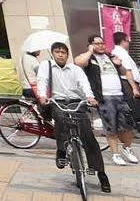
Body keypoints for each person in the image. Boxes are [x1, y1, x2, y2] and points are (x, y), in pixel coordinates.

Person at [38, 40, 110, 194]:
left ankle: (101, 173)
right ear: (52, 54)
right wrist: (42, 96)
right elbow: (42, 81)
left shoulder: (75, 69)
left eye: (63, 52)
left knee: (87, 134)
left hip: (77, 102)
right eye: (57, 51)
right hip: (57, 101)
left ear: (67, 55)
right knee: (61, 121)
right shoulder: (47, 66)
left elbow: (84, 83)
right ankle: (61, 151)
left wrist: (90, 97)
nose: (60, 54)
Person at [74, 36, 138, 166]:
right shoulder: (89, 58)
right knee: (111, 127)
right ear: (91, 45)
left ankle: (127, 148)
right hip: (104, 97)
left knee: (128, 126)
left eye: (102, 43)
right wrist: (89, 52)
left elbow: (125, 72)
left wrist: (132, 85)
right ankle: (116, 154)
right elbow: (78, 63)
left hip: (120, 95)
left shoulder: (111, 56)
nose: (101, 46)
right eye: (97, 44)